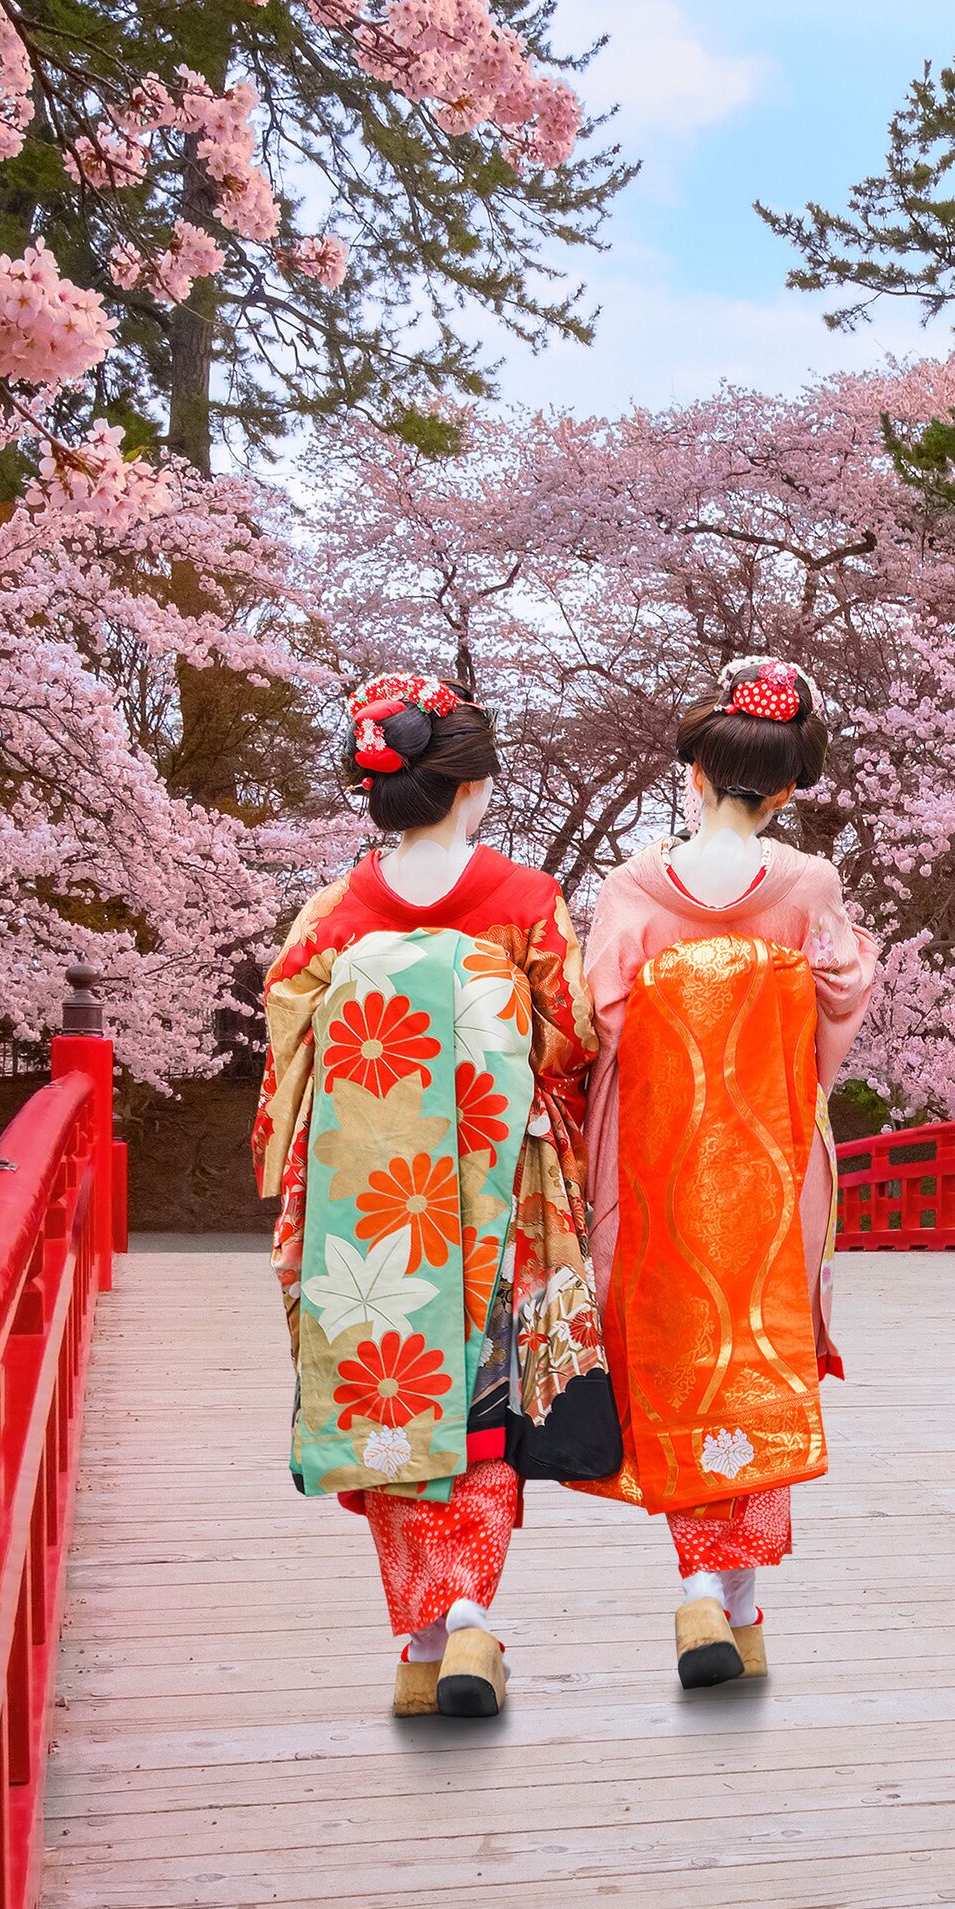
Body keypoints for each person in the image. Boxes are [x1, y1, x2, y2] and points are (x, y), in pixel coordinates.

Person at [252, 673, 608, 1719]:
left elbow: (289, 1053)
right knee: (482, 1406)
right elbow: (576, 1039)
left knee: (388, 1396)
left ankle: (422, 1637)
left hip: (366, 1199)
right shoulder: (525, 902)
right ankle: (468, 1621)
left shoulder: (332, 915)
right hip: (493, 1192)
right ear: (469, 789)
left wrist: (293, 1167)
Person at [580, 655, 880, 1689]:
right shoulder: (808, 885)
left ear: (695, 772)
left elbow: (600, 1021)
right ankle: (728, 1594)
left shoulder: (632, 886)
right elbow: (837, 1001)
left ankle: (715, 1592)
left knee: (678, 1352)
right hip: (771, 1156)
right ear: (790, 784)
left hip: (655, 1162)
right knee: (761, 1351)